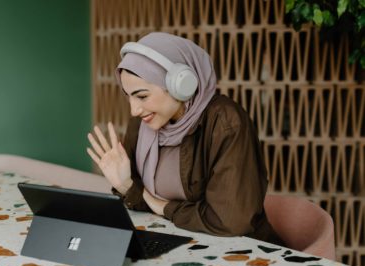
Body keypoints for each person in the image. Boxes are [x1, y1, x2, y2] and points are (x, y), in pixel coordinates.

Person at [87, 32, 281, 244]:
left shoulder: (225, 121)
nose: (134, 110)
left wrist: (160, 205)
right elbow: (142, 204)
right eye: (129, 96)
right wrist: (125, 185)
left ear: (180, 84)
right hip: (180, 243)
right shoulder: (144, 123)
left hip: (244, 252)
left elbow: (230, 220)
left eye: (142, 96)